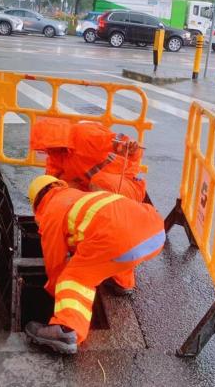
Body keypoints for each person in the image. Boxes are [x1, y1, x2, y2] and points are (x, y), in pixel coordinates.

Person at [24, 175, 165, 354]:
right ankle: (123, 284)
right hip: (154, 232)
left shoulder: (52, 211)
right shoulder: (78, 196)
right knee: (108, 250)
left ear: (36, 204)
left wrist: (56, 292)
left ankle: (67, 329)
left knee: (73, 276)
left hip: (121, 242)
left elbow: (55, 262)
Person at [30, 118, 147, 202]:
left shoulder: (87, 134)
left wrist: (132, 149)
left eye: (50, 146)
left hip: (127, 182)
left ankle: (105, 224)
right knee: (58, 191)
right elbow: (51, 185)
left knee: (99, 181)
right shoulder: (55, 156)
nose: (49, 151)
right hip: (93, 189)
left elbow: (130, 148)